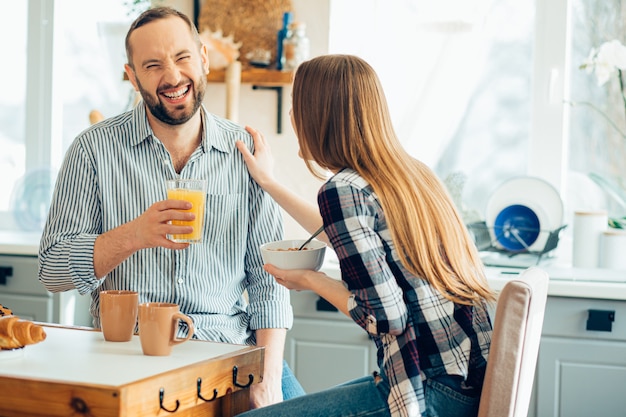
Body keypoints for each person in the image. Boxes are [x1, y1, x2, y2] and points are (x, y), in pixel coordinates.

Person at [38, 6, 304, 408]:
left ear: (203, 58)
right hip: (130, 361)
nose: (173, 76)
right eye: (153, 65)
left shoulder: (245, 153)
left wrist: (266, 381)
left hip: (230, 356)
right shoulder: (92, 150)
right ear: (132, 76)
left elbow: (269, 281)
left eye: (182, 58)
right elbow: (51, 270)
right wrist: (133, 235)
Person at [235, 54, 496, 417]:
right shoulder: (412, 174)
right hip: (465, 382)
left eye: (298, 106)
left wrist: (312, 279)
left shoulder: (342, 190)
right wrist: (269, 183)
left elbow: (387, 317)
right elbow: (351, 237)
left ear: (318, 116)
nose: (294, 118)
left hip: (426, 391)